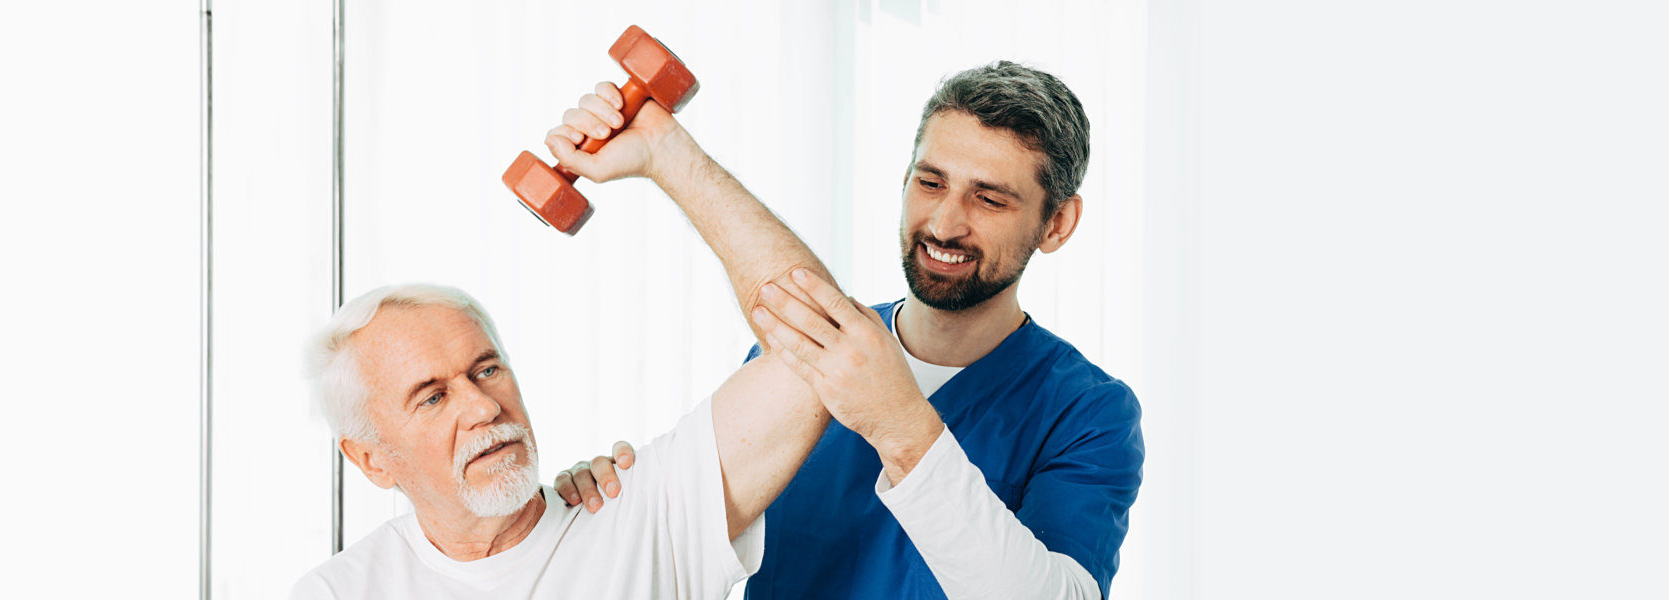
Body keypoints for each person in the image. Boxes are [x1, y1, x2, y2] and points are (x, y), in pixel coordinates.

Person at [556, 61, 1145, 599]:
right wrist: (604, 504)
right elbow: (681, 534)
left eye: (989, 199)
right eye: (930, 182)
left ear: (1057, 223)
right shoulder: (804, 360)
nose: (944, 223)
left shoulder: (1089, 414)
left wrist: (898, 422)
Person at [287, 75, 869, 598]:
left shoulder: (643, 516)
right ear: (370, 460)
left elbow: (819, 339)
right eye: (433, 396)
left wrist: (666, 154)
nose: (485, 407)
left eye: (486, 369)